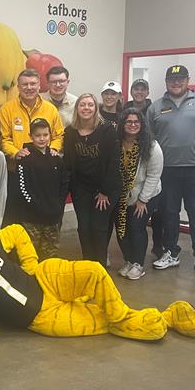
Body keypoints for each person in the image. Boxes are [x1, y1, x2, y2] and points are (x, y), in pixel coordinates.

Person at [148, 64, 195, 276]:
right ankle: (171, 252)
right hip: (167, 171)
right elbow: (148, 140)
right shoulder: (155, 107)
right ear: (166, 82)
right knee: (169, 214)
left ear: (188, 80)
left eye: (181, 79)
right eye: (172, 79)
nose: (176, 82)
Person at [0, 69, 64, 225]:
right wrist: (16, 153)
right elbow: (4, 139)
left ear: (39, 85)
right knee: (17, 217)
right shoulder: (7, 109)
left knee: (45, 214)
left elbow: (59, 135)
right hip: (17, 173)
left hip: (46, 174)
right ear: (18, 88)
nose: (29, 88)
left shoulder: (50, 109)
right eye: (25, 84)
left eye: (33, 84)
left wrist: (53, 149)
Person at [63, 94, 120, 266]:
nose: (86, 108)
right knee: (84, 227)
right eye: (82, 105)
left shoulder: (107, 130)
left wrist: (104, 191)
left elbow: (114, 161)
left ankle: (100, 266)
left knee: (99, 227)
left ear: (96, 108)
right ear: (77, 108)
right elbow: (68, 163)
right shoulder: (70, 132)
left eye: (90, 105)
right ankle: (88, 264)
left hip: (104, 189)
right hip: (81, 188)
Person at [115, 109, 163, 280]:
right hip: (122, 195)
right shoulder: (116, 142)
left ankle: (138, 264)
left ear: (142, 125)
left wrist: (143, 200)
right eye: (129, 121)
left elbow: (154, 175)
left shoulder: (151, 146)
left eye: (137, 122)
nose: (133, 125)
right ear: (123, 124)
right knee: (122, 229)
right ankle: (128, 260)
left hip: (146, 194)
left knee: (136, 226)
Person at [15, 118, 68, 261]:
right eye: (38, 135)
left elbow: (64, 183)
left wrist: (58, 204)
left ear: (50, 135)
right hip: (32, 218)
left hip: (53, 217)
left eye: (45, 135)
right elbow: (23, 188)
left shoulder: (55, 158)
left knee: (51, 255)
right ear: (31, 136)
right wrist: (36, 206)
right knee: (31, 255)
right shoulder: (25, 159)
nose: (42, 139)